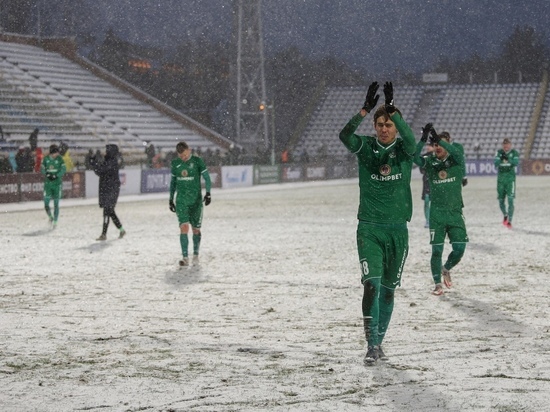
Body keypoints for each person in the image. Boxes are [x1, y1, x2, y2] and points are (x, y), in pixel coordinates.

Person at [339, 81, 416, 365]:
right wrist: (363, 111)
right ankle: (371, 344)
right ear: (374, 127)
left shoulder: (404, 151)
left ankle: (380, 341)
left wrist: (395, 112)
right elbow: (344, 134)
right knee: (371, 284)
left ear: (395, 127)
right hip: (369, 228)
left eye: (389, 124)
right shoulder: (366, 147)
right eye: (380, 124)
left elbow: (412, 142)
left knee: (388, 288)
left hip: (398, 229)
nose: (384, 128)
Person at [414, 125, 468, 296]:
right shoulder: (430, 162)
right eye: (435, 144)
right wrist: (424, 138)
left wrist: (440, 140)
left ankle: (446, 268)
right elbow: (414, 157)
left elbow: (458, 152)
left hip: (455, 213)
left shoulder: (456, 158)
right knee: (436, 250)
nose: (437, 147)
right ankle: (437, 284)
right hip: (436, 214)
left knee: (459, 249)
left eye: (441, 144)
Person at [169, 141, 212, 267]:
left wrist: (208, 193)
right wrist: (171, 199)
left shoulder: (198, 161)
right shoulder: (175, 164)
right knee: (183, 227)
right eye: (180, 156)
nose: (183, 158)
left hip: (196, 202)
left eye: (185, 155)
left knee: (196, 230)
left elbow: (207, 178)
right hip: (181, 201)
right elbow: (173, 183)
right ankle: (185, 257)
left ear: (189, 150)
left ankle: (196, 254)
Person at [91, 144, 126, 241]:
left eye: (106, 150)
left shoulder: (111, 162)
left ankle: (104, 234)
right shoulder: (109, 161)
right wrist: (94, 162)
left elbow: (100, 171)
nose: (105, 152)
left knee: (108, 210)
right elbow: (100, 170)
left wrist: (93, 162)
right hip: (108, 188)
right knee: (110, 211)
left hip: (111, 189)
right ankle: (121, 230)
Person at [494, 138, 519, 228]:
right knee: (501, 201)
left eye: (507, 144)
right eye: (504, 145)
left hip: (510, 180)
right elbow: (496, 163)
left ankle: (510, 221)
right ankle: (505, 214)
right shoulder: (499, 152)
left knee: (510, 200)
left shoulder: (514, 153)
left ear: (510, 145)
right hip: (500, 181)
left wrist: (507, 159)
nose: (506, 146)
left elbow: (516, 163)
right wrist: (503, 161)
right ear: (502, 145)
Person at [40, 144, 66, 228]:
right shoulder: (45, 159)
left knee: (56, 204)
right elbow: (42, 169)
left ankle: (55, 221)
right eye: (56, 152)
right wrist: (47, 174)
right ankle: (50, 217)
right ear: (52, 152)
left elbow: (63, 169)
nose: (57, 154)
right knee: (46, 204)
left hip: (57, 185)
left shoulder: (60, 159)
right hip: (48, 185)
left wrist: (56, 175)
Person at [419, 144, 434, 228]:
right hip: (426, 180)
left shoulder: (436, 155)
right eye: (427, 146)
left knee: (434, 201)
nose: (428, 147)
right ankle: (427, 220)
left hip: (435, 180)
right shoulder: (423, 156)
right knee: (426, 201)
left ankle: (433, 219)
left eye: (430, 146)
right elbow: (421, 169)